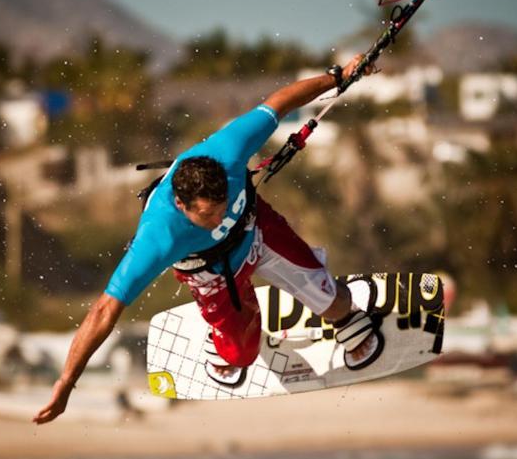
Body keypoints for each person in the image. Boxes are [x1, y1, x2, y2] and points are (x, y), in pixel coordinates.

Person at [33, 54, 382, 424]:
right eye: (206, 215)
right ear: (181, 204)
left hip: (256, 230)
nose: (217, 220)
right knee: (240, 356)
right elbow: (103, 311)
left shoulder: (229, 151)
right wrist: (67, 382)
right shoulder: (160, 236)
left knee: (337, 303)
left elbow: (279, 103)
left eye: (221, 207)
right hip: (211, 271)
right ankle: (228, 329)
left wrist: (338, 75)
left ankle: (322, 303)